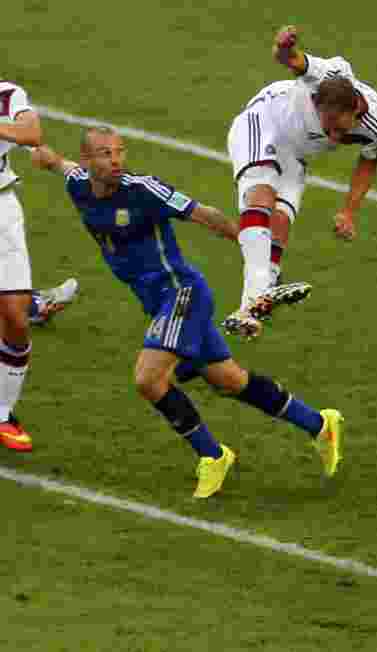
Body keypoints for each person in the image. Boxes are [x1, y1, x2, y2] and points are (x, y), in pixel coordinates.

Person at [31, 128, 345, 498]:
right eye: (104, 154)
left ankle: (213, 456)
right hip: (157, 301)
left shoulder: (143, 190)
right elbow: (64, 167)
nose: (115, 160)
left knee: (149, 379)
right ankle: (320, 425)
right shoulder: (79, 185)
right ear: (88, 161)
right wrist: (48, 159)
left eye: (119, 152)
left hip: (182, 294)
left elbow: (203, 214)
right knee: (229, 380)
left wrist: (253, 248)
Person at [223, 24, 377, 338]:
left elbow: (369, 160)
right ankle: (250, 302)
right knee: (261, 194)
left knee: (281, 222)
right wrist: (284, 46)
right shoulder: (324, 75)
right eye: (328, 128)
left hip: (296, 151)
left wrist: (349, 211)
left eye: (340, 131)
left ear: (355, 108)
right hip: (265, 121)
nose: (333, 137)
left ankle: (259, 303)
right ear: (317, 103)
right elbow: (289, 58)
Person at [0, 80, 42, 452]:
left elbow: (31, 134)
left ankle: (2, 412)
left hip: (2, 210)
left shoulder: (7, 94)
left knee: (16, 315)